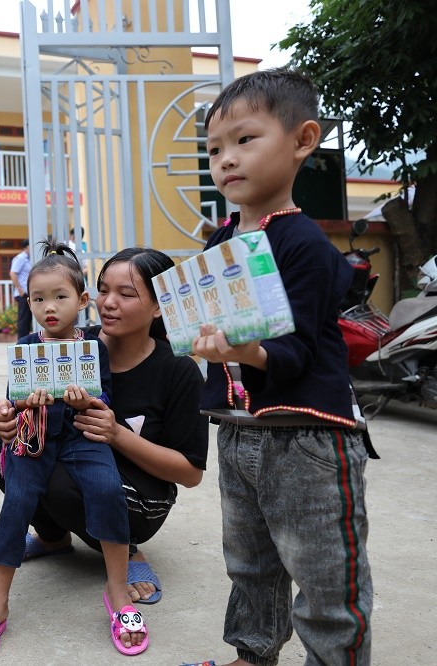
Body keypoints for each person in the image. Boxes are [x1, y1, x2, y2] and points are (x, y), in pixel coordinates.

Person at [184, 68, 373, 666]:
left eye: (245, 140)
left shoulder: (303, 243)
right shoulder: (218, 244)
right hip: (241, 431)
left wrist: (243, 351)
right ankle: (252, 655)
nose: (226, 160)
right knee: (250, 564)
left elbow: (294, 349)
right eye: (215, 149)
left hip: (308, 435)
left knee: (325, 579)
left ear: (302, 139)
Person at [0, 248, 208, 612]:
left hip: (140, 495)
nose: (109, 303)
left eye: (127, 293)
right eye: (104, 290)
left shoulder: (178, 371)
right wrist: (7, 419)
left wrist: (117, 433)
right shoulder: (73, 344)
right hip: (80, 462)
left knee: (67, 478)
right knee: (4, 451)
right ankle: (54, 539)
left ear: (159, 306)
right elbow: (22, 399)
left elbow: (191, 473)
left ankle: (127, 551)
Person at [0, 239, 149, 658]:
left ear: (83, 300)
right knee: (17, 499)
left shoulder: (93, 349)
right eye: (38, 299)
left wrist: (87, 401)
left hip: (84, 435)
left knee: (106, 490)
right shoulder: (27, 348)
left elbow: (105, 398)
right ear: (28, 302)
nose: (49, 307)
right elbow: (12, 400)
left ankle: (117, 592)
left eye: (60, 297)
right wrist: (10, 409)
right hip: (35, 438)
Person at [9, 239, 33, 340]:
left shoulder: (29, 258)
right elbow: (13, 273)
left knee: (28, 319)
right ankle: (22, 342)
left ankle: (26, 341)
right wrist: (20, 290)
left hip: (29, 293)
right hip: (23, 294)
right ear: (26, 247)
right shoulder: (21, 258)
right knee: (23, 319)